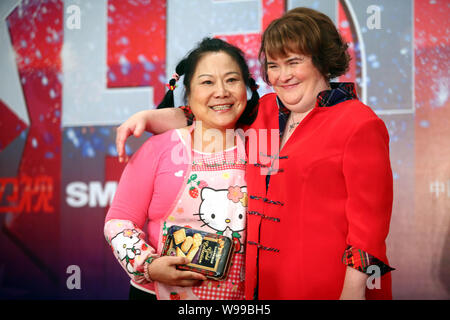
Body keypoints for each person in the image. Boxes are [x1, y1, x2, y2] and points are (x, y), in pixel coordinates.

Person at [115, 7, 394, 300]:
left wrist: (353, 290)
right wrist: (146, 117)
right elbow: (210, 113)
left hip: (329, 284)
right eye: (273, 65)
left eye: (294, 62)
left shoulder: (359, 123)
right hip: (263, 288)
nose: (283, 75)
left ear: (322, 62)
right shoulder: (267, 111)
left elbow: (370, 227)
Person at [104, 37, 259, 300]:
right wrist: (149, 265)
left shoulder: (262, 148)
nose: (221, 91)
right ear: (188, 91)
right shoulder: (159, 148)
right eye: (207, 82)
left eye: (232, 80)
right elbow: (119, 221)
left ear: (247, 87)